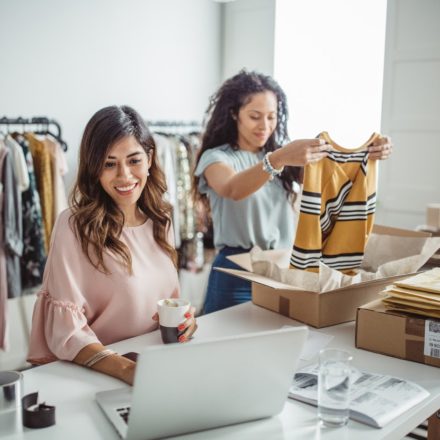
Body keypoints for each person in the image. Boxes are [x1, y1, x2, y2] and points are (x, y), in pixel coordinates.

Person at [194, 70, 393, 314]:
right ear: (235, 114)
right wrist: (278, 159)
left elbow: (334, 177)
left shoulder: (284, 157)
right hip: (236, 272)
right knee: (224, 345)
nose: (265, 126)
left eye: (271, 116)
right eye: (255, 116)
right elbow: (233, 188)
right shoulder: (216, 158)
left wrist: (369, 152)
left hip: (283, 269)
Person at [28, 105, 197, 385]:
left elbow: (166, 303)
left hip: (157, 366)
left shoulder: (161, 218)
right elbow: (66, 332)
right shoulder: (73, 226)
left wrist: (185, 323)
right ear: (94, 168)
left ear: (150, 158)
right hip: (97, 375)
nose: (124, 176)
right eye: (109, 163)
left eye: (134, 160)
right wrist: (127, 371)